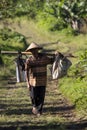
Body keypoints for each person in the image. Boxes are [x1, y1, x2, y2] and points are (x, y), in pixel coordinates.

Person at [25, 42, 54, 116]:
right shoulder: (29, 60)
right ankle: (35, 107)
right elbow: (26, 71)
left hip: (42, 81)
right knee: (33, 96)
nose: (34, 52)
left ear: (38, 50)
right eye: (32, 50)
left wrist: (56, 55)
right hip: (33, 82)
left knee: (41, 97)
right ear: (30, 52)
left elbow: (52, 61)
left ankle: (39, 111)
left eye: (35, 50)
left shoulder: (44, 58)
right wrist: (28, 83)